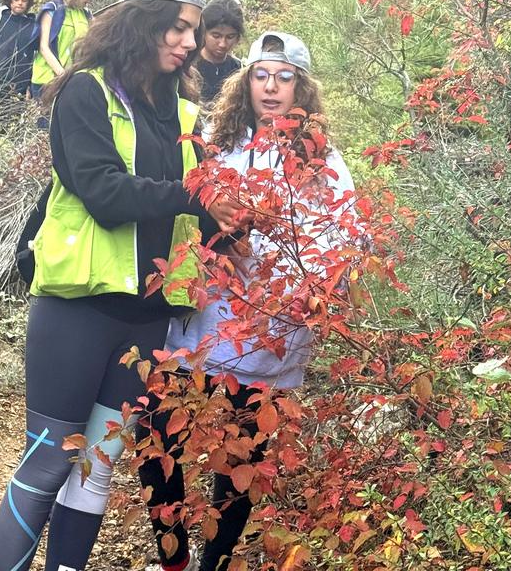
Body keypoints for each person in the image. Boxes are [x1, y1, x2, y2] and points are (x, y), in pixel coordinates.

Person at [0, 0, 239, 571]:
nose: (189, 42)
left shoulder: (184, 115)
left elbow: (197, 214)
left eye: (194, 29)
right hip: (77, 309)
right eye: (178, 27)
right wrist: (195, 196)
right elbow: (102, 193)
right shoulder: (86, 92)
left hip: (147, 317)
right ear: (140, 23)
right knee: (50, 461)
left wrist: (235, 223)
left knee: (95, 468)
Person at [138, 31, 355, 571]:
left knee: (240, 462)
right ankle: (173, 559)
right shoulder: (216, 141)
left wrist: (311, 291)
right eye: (261, 75)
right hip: (199, 322)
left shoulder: (321, 160)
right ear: (246, 81)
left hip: (269, 334)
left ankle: (215, 560)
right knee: (156, 432)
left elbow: (346, 238)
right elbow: (181, 206)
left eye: (284, 77)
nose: (271, 87)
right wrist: (211, 247)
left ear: (301, 88)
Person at [29, 0, 98, 103]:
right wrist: (63, 75)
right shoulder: (52, 9)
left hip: (71, 82)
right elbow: (44, 47)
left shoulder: (86, 15)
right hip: (46, 80)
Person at [194, 0, 244, 104]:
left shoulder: (239, 70)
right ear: (203, 31)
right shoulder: (189, 66)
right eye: (216, 36)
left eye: (230, 37)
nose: (222, 44)